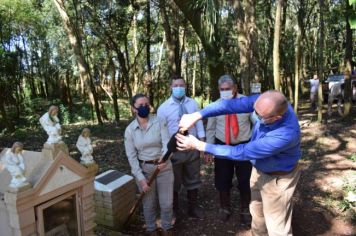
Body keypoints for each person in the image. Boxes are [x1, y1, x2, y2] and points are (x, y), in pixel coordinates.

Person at [176, 90, 301, 236]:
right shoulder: (266, 102)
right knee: (257, 215)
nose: (254, 114)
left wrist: (201, 146)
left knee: (276, 227)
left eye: (260, 116)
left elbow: (242, 152)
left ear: (276, 117)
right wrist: (198, 115)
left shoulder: (285, 134)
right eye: (254, 109)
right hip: (259, 170)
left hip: (277, 180)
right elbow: (230, 105)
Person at [205, 75, 252, 223]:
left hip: (244, 146)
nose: (225, 91)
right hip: (221, 146)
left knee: (246, 179)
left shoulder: (246, 103)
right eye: (222, 89)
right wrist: (208, 150)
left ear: (235, 88)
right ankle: (224, 207)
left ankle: (245, 209)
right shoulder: (215, 105)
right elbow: (210, 129)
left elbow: (256, 124)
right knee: (222, 178)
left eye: (228, 89)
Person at [157, 75, 206, 219]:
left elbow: (199, 124)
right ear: (171, 88)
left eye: (181, 85)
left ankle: (193, 207)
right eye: (176, 85)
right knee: (174, 181)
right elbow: (162, 132)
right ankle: (175, 209)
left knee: (193, 177)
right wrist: (166, 151)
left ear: (185, 87)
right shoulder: (163, 108)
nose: (179, 88)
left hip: (192, 145)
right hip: (175, 149)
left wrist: (202, 143)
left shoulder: (193, 104)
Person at [124, 94, 174, 236]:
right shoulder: (130, 130)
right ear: (134, 109)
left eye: (147, 104)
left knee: (167, 203)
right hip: (144, 169)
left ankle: (166, 228)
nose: (144, 107)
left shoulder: (159, 121)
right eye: (140, 105)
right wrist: (140, 178)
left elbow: (167, 143)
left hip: (164, 166)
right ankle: (151, 229)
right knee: (149, 203)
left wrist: (164, 160)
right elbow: (131, 156)